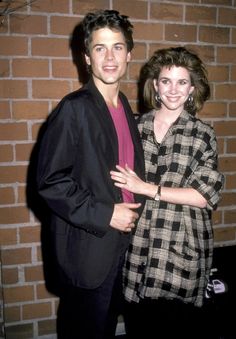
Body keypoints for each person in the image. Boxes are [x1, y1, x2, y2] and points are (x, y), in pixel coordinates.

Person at [36, 9, 145, 339]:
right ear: (86, 57)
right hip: (88, 252)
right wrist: (107, 213)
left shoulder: (124, 105)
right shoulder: (75, 108)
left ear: (129, 54)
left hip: (121, 247)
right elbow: (50, 182)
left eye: (117, 47)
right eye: (100, 48)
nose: (109, 57)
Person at [110, 46, 224, 339]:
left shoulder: (202, 133)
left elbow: (204, 195)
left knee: (178, 329)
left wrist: (146, 188)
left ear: (192, 89)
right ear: (155, 86)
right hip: (138, 247)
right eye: (166, 81)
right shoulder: (135, 127)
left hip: (181, 247)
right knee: (140, 327)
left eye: (182, 82)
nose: (173, 90)